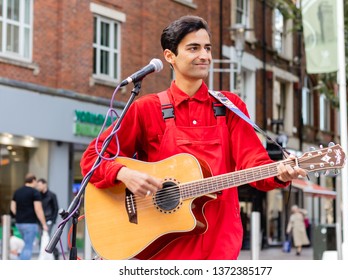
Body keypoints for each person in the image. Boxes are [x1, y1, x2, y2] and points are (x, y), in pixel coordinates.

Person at [80, 15, 307, 260]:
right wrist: (123, 173)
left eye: (207, 48)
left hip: (220, 246)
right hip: (161, 251)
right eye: (193, 48)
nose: (205, 55)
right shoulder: (146, 108)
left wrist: (280, 172)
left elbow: (255, 165)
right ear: (169, 56)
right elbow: (93, 158)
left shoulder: (231, 107)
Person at [10, 173, 48, 260]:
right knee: (28, 246)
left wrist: (19, 215)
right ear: (33, 180)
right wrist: (44, 224)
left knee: (25, 245)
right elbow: (38, 209)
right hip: (30, 223)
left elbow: (12, 207)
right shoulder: (35, 192)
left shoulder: (17, 191)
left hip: (19, 223)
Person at [36, 178, 60, 259]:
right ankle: (43, 255)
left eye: (39, 185)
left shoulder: (52, 195)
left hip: (49, 220)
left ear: (44, 184)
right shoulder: (37, 195)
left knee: (47, 237)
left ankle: (52, 254)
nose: (38, 187)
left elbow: (56, 208)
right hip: (40, 221)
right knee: (41, 239)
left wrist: (53, 220)